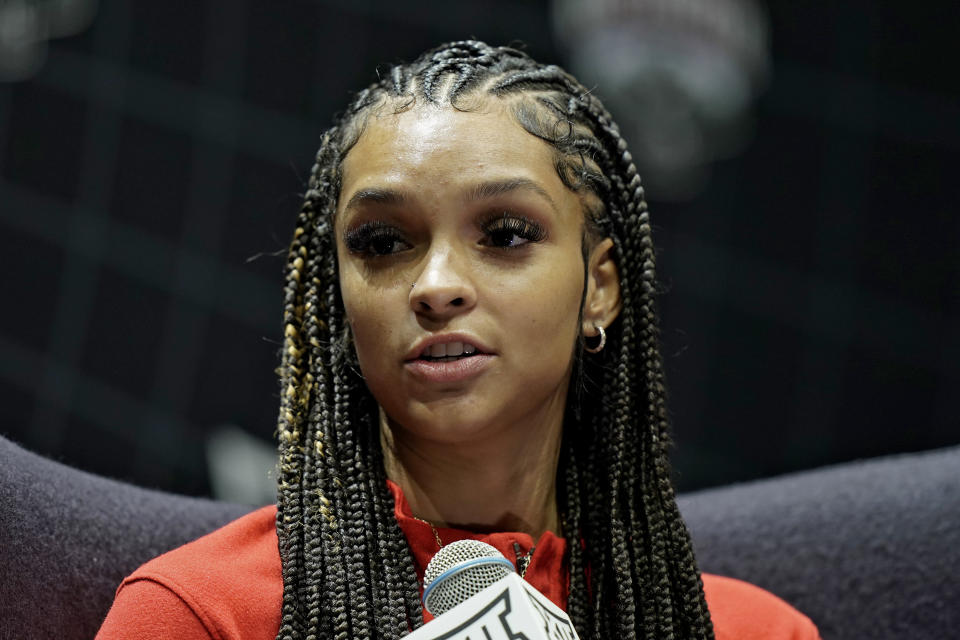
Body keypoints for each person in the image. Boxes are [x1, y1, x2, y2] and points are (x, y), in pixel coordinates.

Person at [96, 41, 820, 640]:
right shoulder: (197, 614)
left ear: (598, 285)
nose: (436, 285)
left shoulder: (753, 631)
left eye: (505, 235)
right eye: (382, 243)